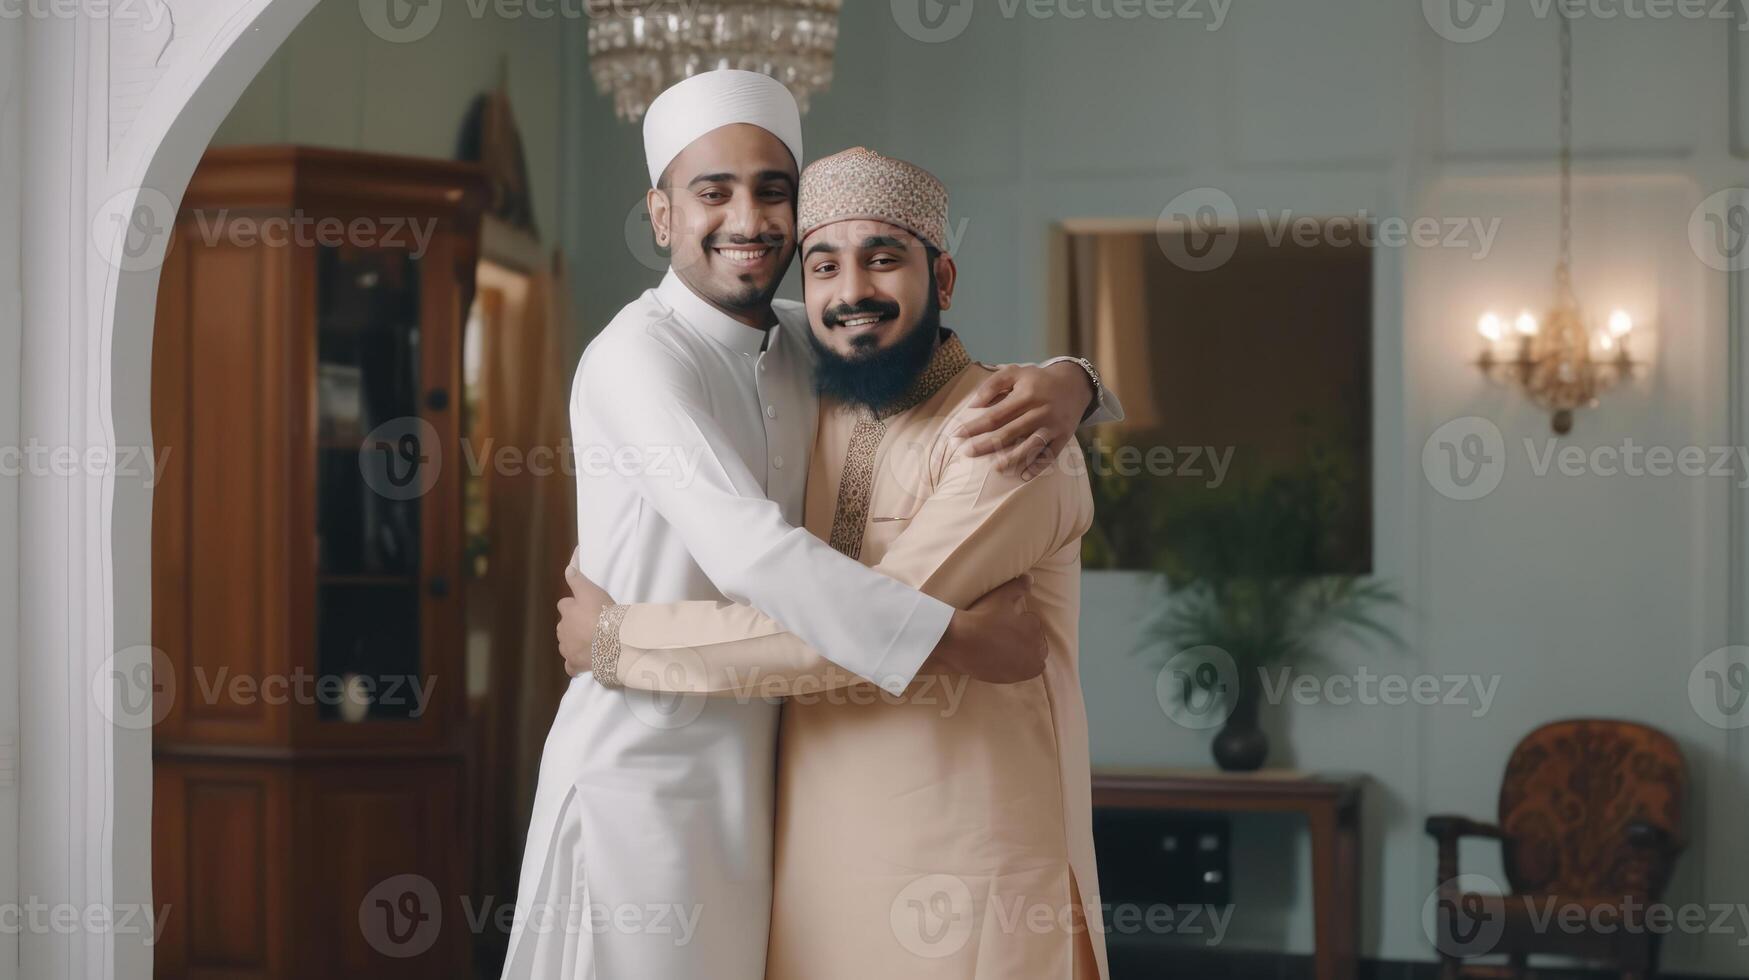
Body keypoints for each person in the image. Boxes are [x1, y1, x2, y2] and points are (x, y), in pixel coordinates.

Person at [501, 72, 1120, 980]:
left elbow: (909, 346)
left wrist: (1077, 380)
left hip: (785, 785)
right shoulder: (638, 357)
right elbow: (754, 552)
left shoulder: (809, 345)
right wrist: (949, 639)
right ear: (661, 215)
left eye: (772, 192)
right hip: (654, 770)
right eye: (712, 192)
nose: (747, 219)